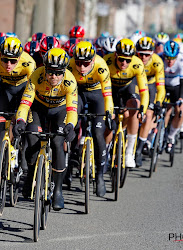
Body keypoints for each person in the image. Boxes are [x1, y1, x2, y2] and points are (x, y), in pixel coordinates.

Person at [13, 48, 78, 211]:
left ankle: (57, 191)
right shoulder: (36, 76)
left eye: (58, 73)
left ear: (64, 71)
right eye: (50, 72)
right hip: (38, 109)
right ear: (45, 69)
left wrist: (70, 126)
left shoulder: (70, 81)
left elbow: (72, 110)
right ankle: (30, 175)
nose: (53, 77)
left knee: (57, 142)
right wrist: (20, 120)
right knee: (32, 139)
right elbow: (25, 103)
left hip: (60, 111)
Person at [67, 41, 114, 196]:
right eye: (79, 63)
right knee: (70, 125)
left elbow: (107, 95)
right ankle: (67, 166)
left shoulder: (101, 66)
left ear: (93, 61)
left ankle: (100, 176)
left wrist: (109, 112)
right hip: (78, 93)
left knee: (98, 132)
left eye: (86, 64)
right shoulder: (70, 64)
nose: (81, 68)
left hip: (97, 95)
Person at [0, 37, 36, 170]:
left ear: (19, 58)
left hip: (23, 89)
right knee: (1, 123)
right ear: (0, 56)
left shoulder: (28, 63)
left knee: (23, 121)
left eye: (13, 61)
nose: (8, 64)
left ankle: (22, 152)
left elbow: (33, 90)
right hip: (6, 90)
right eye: (5, 60)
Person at [104, 38, 149, 168]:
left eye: (128, 60)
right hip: (110, 89)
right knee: (109, 121)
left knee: (134, 106)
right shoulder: (106, 61)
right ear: (115, 55)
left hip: (127, 88)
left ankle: (129, 153)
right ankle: (106, 154)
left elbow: (144, 91)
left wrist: (143, 110)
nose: (124, 63)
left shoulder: (137, 64)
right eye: (121, 59)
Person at [134, 37, 166, 167]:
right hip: (135, 84)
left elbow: (161, 87)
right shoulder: (133, 60)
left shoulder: (157, 62)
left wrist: (158, 102)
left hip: (150, 86)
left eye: (147, 54)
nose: (143, 57)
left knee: (148, 116)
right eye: (140, 54)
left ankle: (139, 151)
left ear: (152, 53)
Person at [162, 40, 183, 152]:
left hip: (177, 87)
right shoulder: (159, 59)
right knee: (163, 108)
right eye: (167, 57)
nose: (169, 61)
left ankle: (171, 136)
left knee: (181, 109)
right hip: (163, 86)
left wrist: (181, 99)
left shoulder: (182, 61)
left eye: (173, 58)